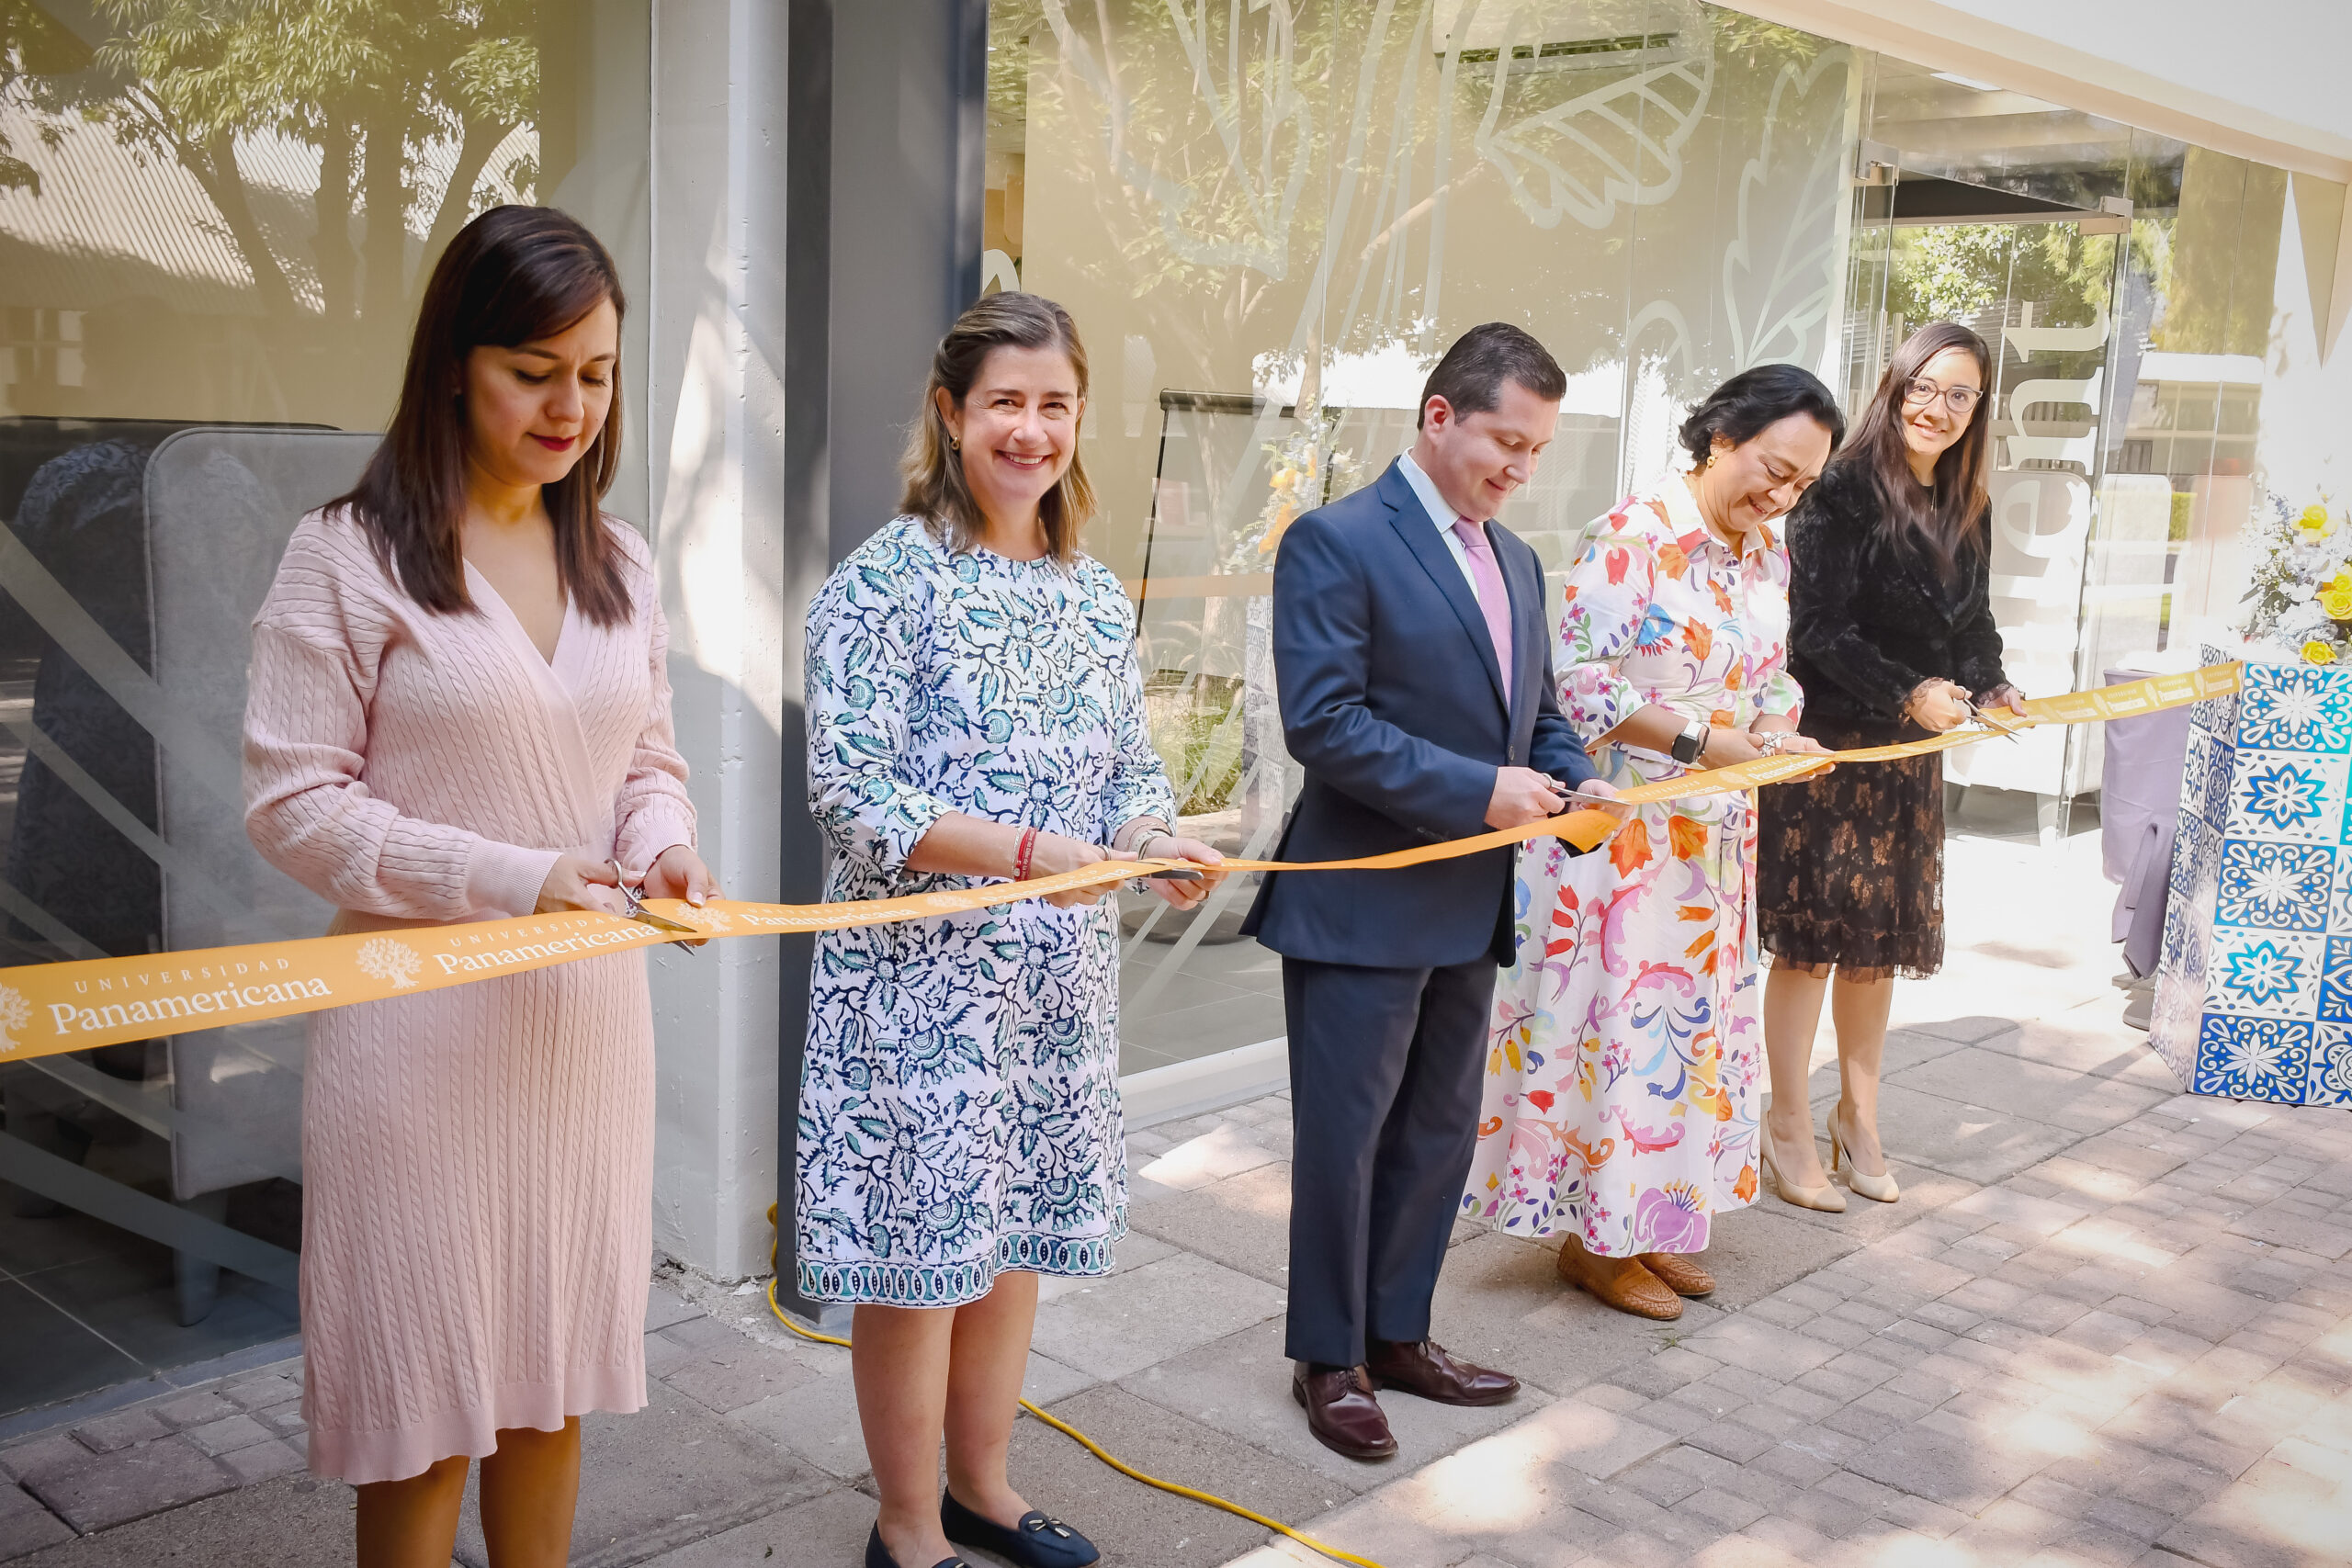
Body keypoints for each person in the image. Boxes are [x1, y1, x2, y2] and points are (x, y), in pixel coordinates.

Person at [243, 207, 717, 1568]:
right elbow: (293, 806)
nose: (573, 405)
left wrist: (668, 839)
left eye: (601, 372)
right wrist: (517, 875)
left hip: (581, 1035)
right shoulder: (344, 556)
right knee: (424, 1405)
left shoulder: (618, 560)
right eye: (535, 368)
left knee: (551, 1382)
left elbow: (649, 758)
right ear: (454, 361)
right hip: (417, 1047)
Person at [800, 292, 1224, 1568]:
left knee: (1008, 1240)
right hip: (917, 984)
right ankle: (906, 1521)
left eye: (1053, 405)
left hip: (1050, 981)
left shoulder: (1093, 593)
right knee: (920, 1255)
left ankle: (983, 1486)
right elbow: (854, 792)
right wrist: (1031, 852)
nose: (1030, 429)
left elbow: (1128, 769)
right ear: (950, 412)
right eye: (1005, 403)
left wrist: (1154, 838)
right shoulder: (886, 577)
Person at [1241, 322, 1611, 1462]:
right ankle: (1329, 1357)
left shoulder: (1518, 560)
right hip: (1357, 897)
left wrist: (1578, 776)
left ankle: (1400, 1332)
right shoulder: (1335, 539)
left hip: (1469, 895)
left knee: (1441, 1132)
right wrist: (1478, 791)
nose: (1520, 468)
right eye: (1508, 439)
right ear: (1438, 416)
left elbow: (1531, 714)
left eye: (1538, 450)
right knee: (1344, 1139)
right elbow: (1326, 726)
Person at [1465, 367, 1844, 1320]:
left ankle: (1646, 1221)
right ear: (1722, 437)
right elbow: (1575, 684)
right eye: (1772, 468)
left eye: (1801, 484)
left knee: (1687, 1038)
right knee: (1619, 1037)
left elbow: (1769, 679)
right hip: (1624, 839)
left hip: (1713, 840)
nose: (1781, 494)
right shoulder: (1631, 537)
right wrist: (1698, 741)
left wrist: (1777, 734)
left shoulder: (1764, 554)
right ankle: (1593, 1241)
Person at [1756, 321, 2021, 1210]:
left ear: (1978, 410)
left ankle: (1857, 1117)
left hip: (1911, 761)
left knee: (1874, 955)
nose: (1937, 408)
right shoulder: (1834, 492)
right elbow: (1815, 630)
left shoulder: (1965, 502)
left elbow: (1973, 626)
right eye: (1925, 385)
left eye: (1960, 395)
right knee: (1808, 952)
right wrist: (1910, 691)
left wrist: (1995, 685)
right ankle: (1786, 1123)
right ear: (1894, 381)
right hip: (1828, 751)